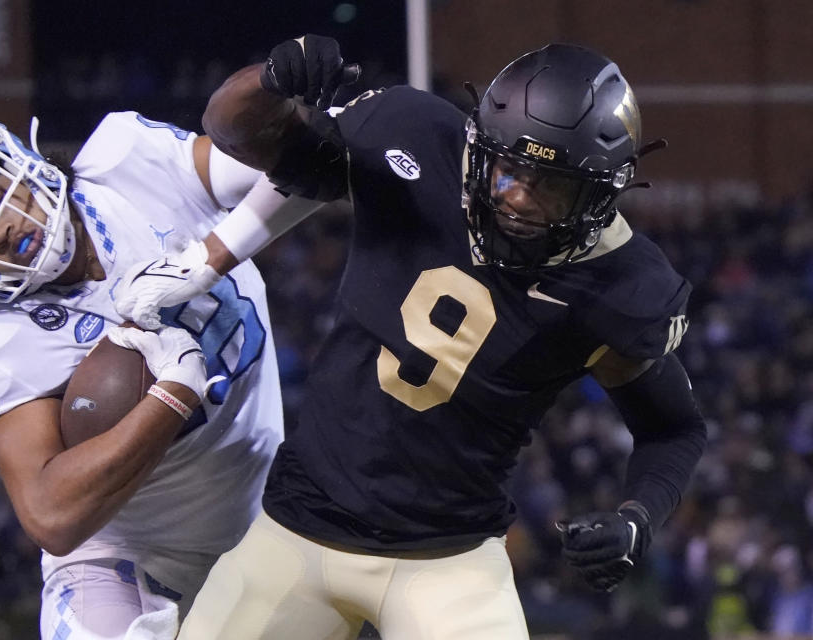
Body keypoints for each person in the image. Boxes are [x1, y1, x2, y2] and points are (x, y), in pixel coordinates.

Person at [114, 36, 708, 639]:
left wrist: (637, 518)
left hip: (449, 561)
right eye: (510, 172)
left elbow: (673, 428)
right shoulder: (415, 137)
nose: (521, 200)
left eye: (553, 186)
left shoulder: (622, 288)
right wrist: (269, 79)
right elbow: (239, 131)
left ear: (604, 195)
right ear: (480, 148)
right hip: (294, 529)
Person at [0, 109, 316, 638]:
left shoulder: (125, 164)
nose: (3, 230)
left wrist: (207, 257)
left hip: (271, 520)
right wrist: (171, 395)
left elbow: (303, 159)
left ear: (17, 158)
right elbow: (50, 514)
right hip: (132, 560)